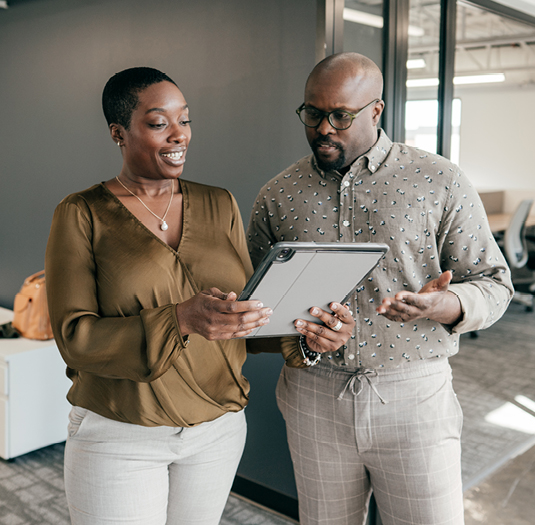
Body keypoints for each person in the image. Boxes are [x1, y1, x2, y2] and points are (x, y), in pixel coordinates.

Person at [246, 52, 513, 525]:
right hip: (313, 397)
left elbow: (494, 284)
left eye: (340, 116)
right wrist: (301, 340)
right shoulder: (276, 195)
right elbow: (255, 314)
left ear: (376, 110)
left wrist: (443, 304)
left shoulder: (439, 180)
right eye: (312, 113)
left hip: (414, 396)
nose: (323, 128)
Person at [45, 67, 274, 525]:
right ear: (118, 133)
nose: (179, 135)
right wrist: (181, 319)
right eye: (158, 123)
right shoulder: (82, 213)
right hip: (121, 434)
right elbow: (75, 337)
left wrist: (308, 336)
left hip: (218, 430)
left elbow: (244, 317)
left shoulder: (220, 203)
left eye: (185, 120)